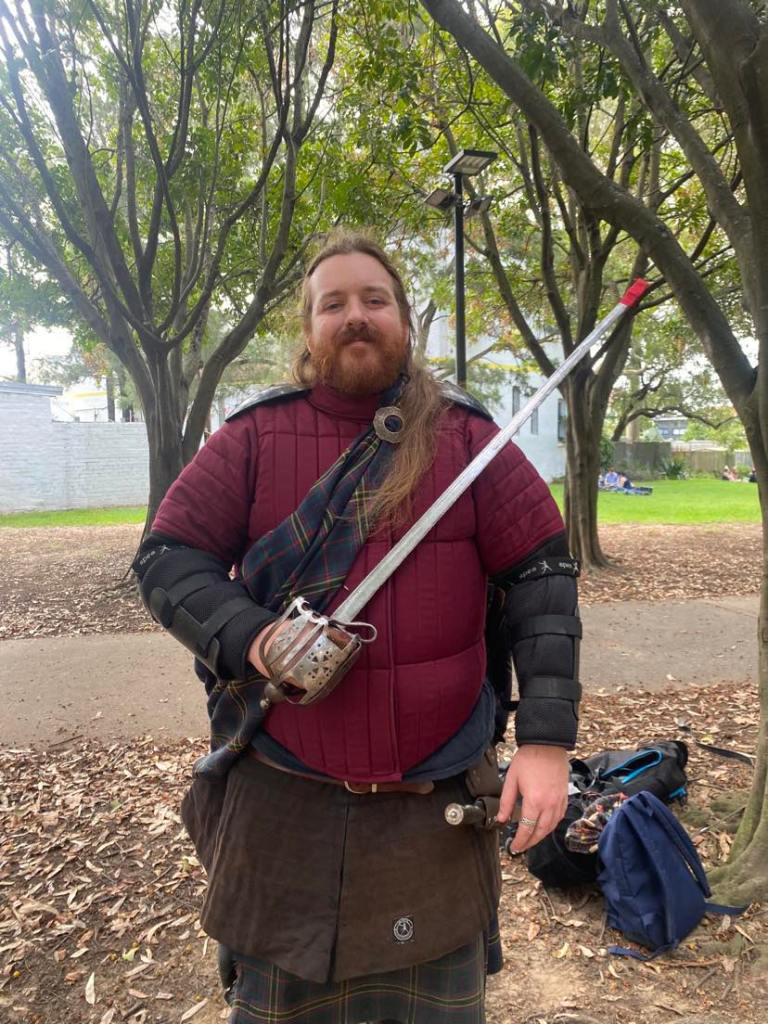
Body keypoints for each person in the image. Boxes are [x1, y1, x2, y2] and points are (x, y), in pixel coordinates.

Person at [133, 234, 581, 1024]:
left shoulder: (469, 440)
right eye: (332, 304)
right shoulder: (253, 437)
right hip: (286, 796)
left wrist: (546, 744)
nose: (355, 316)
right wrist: (255, 638)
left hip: (434, 799)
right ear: (308, 330)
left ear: (404, 319)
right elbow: (168, 558)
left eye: (374, 300)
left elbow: (542, 579)